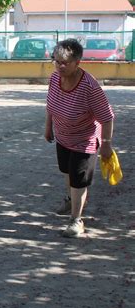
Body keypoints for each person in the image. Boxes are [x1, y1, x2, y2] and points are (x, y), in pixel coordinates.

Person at [44, 39, 115, 238]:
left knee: (78, 180)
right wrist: (48, 127)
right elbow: (50, 104)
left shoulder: (90, 87)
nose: (60, 66)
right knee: (67, 172)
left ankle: (76, 220)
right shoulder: (54, 79)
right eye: (57, 61)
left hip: (85, 140)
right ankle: (70, 201)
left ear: (78, 62)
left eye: (65, 62)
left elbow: (107, 117)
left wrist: (107, 145)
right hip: (63, 136)